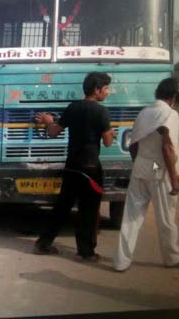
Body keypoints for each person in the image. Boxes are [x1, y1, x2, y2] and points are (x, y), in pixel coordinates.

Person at [33, 72, 114, 261]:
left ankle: (43, 243)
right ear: (97, 90)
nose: (108, 92)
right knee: (89, 210)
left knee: (62, 206)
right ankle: (86, 252)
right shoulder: (102, 112)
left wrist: (48, 121)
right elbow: (108, 142)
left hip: (72, 166)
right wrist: (110, 132)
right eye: (106, 88)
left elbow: (54, 132)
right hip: (91, 169)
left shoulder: (73, 107)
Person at [113, 78, 179, 271]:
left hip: (141, 166)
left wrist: (140, 164)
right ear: (173, 97)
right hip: (159, 169)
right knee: (166, 218)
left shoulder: (143, 113)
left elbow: (133, 145)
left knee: (131, 217)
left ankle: (121, 261)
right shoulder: (170, 115)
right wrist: (174, 178)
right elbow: (167, 147)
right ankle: (172, 258)